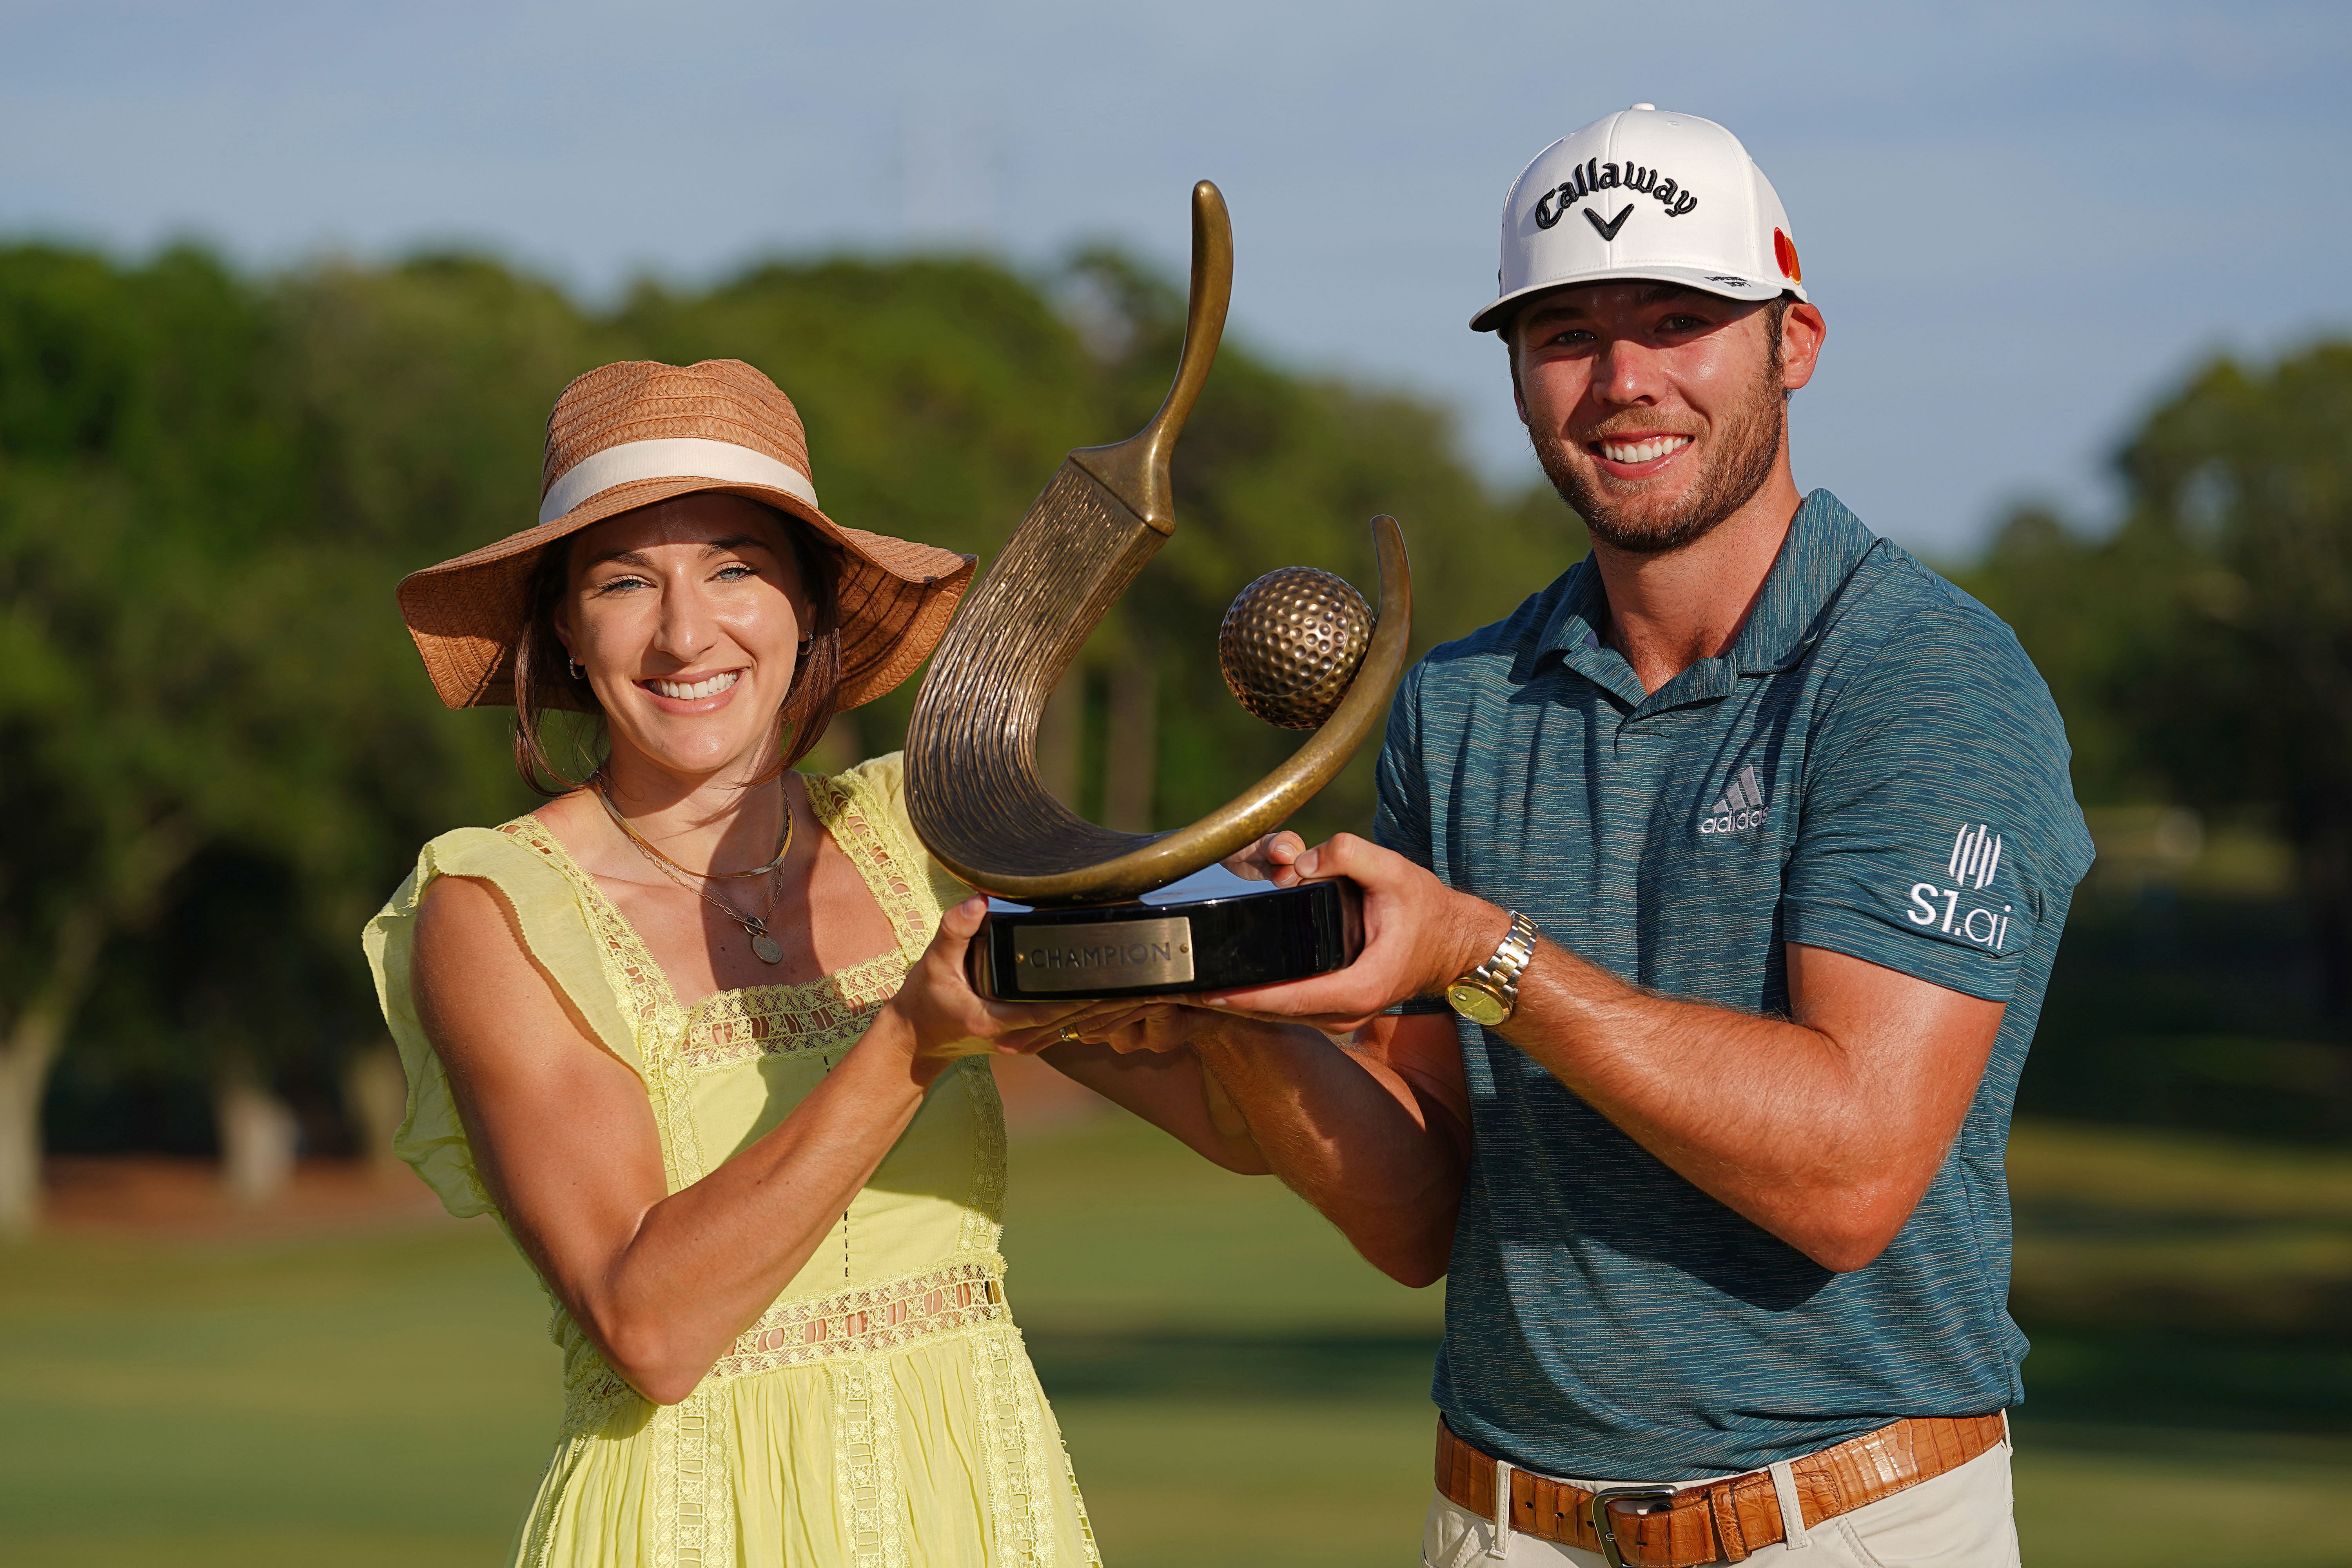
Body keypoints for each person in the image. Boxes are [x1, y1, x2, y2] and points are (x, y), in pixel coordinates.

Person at [1060, 106, 2092, 1566]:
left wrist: (1482, 954)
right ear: (1516, 370)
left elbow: (1852, 1174)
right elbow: (1419, 1209)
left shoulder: (1923, 677)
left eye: (1680, 319)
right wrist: (1246, 1005)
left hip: (1843, 1522)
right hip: (1502, 1522)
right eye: (1564, 334)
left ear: (1793, 341)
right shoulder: (1462, 704)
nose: (1622, 381)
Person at [364, 358, 1261, 1567]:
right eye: (627, 581)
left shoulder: (929, 829)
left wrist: (1247, 953)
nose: (688, 634)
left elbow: (1232, 1122)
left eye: (736, 567)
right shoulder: (496, 905)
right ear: (566, 632)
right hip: (684, 1524)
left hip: (979, 1505)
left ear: (807, 606)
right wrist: (911, 1040)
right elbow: (652, 1327)